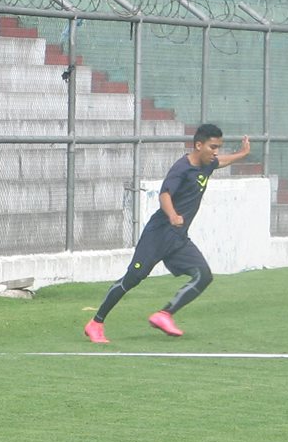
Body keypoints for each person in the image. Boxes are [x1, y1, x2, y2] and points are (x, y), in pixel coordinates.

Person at [84, 125, 251, 343]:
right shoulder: (181, 168)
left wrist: (243, 154)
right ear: (199, 145)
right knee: (132, 279)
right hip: (158, 235)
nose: (216, 152)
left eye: (218, 147)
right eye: (213, 147)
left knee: (203, 275)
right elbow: (165, 194)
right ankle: (96, 323)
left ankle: (164, 314)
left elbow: (223, 161)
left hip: (178, 239)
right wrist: (172, 215)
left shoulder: (208, 164)